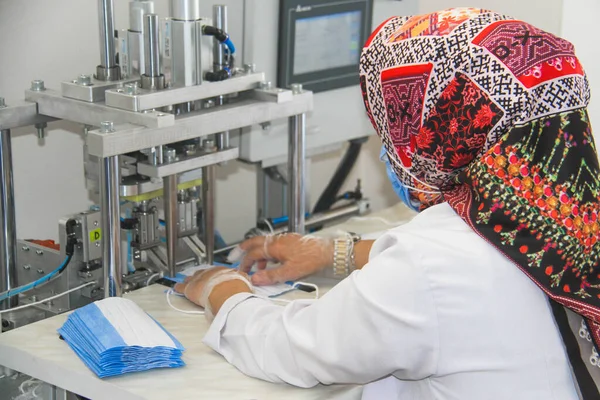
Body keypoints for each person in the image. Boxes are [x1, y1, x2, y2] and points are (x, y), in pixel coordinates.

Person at [175, 8, 600, 398]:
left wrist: (223, 290)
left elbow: (288, 349)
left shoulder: (429, 263)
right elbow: (501, 255)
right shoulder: (572, 213)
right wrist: (334, 252)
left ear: (446, 129)